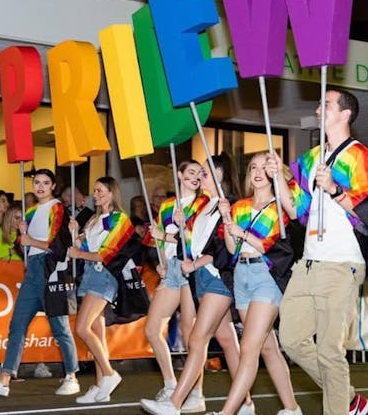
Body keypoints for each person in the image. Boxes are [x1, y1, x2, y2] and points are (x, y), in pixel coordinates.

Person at [271, 88, 368, 415]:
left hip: (342, 264)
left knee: (330, 351)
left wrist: (334, 189)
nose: (317, 109)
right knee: (291, 338)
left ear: (346, 114)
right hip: (309, 263)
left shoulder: (359, 156)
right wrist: (277, 180)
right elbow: (294, 211)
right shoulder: (313, 157)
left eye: (326, 104)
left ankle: (339, 408)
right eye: (318, 104)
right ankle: (348, 398)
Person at [141, 156, 260, 415]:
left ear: (218, 173)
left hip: (218, 277)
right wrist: (180, 233)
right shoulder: (206, 207)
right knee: (227, 340)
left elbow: (222, 250)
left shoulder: (226, 206)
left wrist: (194, 264)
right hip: (201, 277)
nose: (199, 175)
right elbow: (195, 244)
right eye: (195, 171)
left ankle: (174, 404)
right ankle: (246, 403)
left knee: (196, 338)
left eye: (204, 171)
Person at [0, 169, 80, 397]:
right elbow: (25, 247)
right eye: (37, 182)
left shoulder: (57, 208)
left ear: (53, 186)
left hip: (50, 270)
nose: (40, 186)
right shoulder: (29, 212)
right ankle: (4, 378)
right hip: (32, 271)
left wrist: (29, 239)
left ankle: (71, 375)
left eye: (45, 183)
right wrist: (23, 239)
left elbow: (58, 247)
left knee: (59, 327)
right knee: (17, 325)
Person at [213, 153, 299, 415]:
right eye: (253, 168)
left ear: (274, 172)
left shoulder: (280, 206)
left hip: (266, 276)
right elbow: (232, 249)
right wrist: (228, 222)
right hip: (242, 275)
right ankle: (292, 408)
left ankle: (228, 412)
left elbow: (274, 249)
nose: (258, 172)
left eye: (264, 167)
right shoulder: (240, 206)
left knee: (248, 348)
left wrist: (243, 233)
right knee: (267, 347)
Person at [143, 160, 210, 412]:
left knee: (192, 333)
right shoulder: (168, 205)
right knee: (152, 329)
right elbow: (157, 238)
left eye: (199, 173)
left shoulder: (202, 203)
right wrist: (160, 263)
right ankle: (171, 383)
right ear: (180, 175)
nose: (195, 177)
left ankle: (197, 394)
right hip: (170, 268)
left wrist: (177, 230)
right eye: (191, 172)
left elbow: (196, 239)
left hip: (190, 266)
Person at [68, 176, 137, 404]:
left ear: (111, 193)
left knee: (82, 327)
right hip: (89, 274)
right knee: (97, 333)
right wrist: (76, 235)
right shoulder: (94, 220)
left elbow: (107, 254)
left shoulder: (120, 219)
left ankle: (109, 373)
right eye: (94, 191)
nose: (95, 195)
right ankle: (101, 386)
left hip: (104, 276)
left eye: (100, 191)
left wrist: (80, 253)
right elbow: (86, 247)